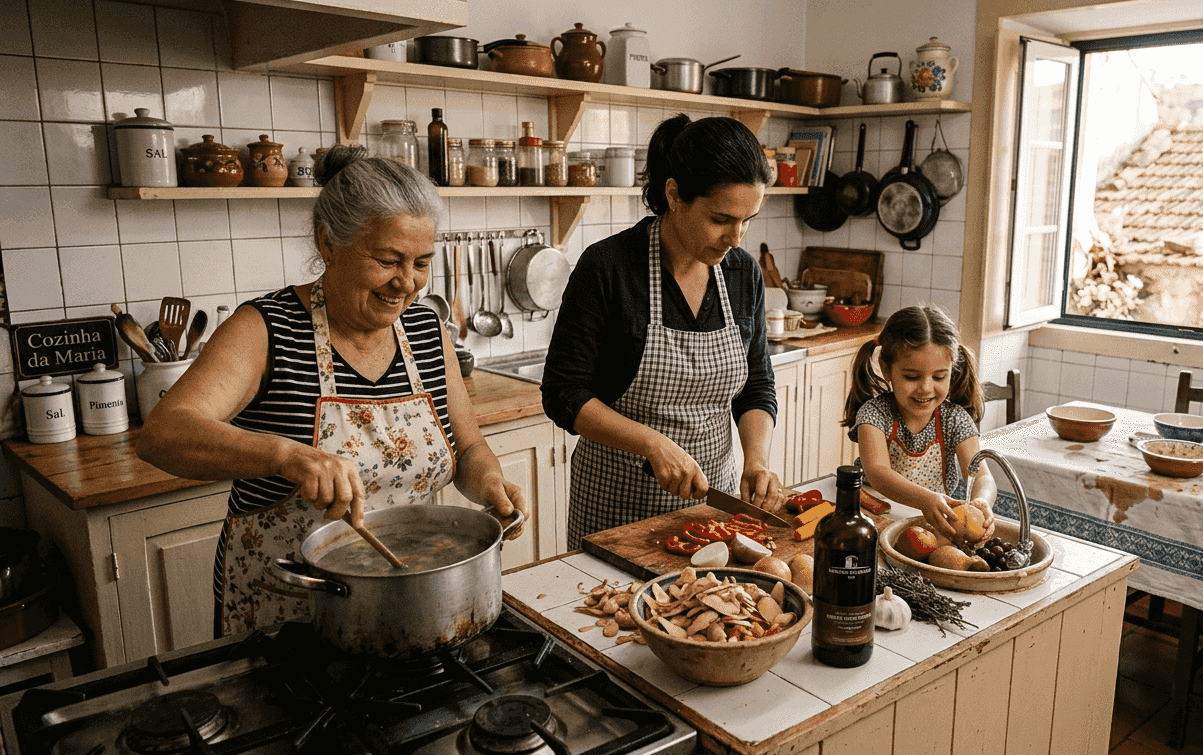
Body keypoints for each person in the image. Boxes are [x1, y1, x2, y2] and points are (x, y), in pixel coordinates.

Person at [138, 145, 524, 637]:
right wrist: (286, 456)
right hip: (294, 617)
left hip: (413, 604)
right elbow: (162, 434)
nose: (406, 283)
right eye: (388, 260)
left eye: (422, 262)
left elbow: (468, 447)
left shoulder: (428, 332)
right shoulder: (266, 329)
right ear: (328, 242)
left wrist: (489, 481)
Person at [542, 114, 786, 548]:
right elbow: (564, 393)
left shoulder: (742, 273)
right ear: (674, 194)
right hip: (615, 511)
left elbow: (757, 384)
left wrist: (757, 460)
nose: (736, 236)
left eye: (748, 219)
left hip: (715, 507)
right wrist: (653, 444)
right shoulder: (610, 268)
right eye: (721, 219)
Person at [843, 305, 996, 543]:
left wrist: (982, 502)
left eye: (939, 377)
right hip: (875, 520)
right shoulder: (874, 414)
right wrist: (925, 499)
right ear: (887, 370)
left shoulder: (954, 418)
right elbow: (877, 472)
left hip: (930, 527)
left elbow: (981, 476)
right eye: (912, 377)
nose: (925, 388)